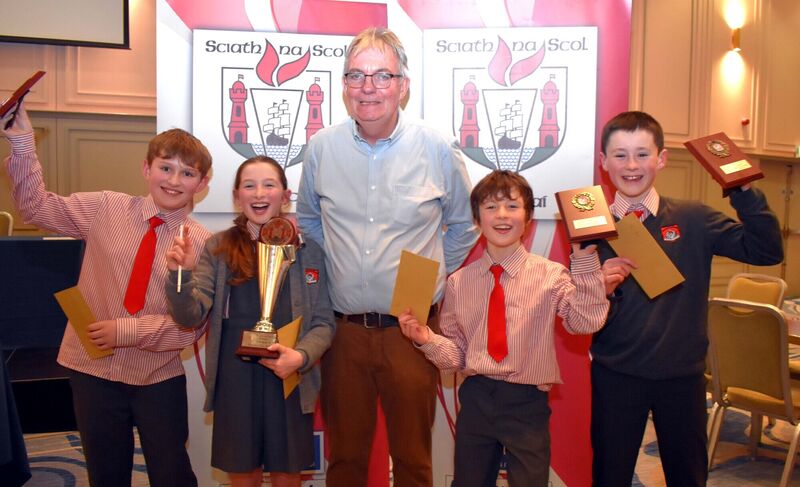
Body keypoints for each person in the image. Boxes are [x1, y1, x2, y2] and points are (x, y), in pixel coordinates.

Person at [296, 27, 479, 486]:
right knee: (346, 460)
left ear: (403, 85)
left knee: (414, 460)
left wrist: (431, 278)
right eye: (356, 75)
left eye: (381, 76)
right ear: (343, 86)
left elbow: (462, 224)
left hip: (411, 330)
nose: (368, 88)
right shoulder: (321, 149)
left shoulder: (437, 148)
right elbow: (309, 221)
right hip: (342, 332)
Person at [1, 102, 212, 486]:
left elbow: (190, 329)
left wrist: (126, 332)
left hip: (157, 377)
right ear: (147, 169)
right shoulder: (105, 208)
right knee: (106, 474)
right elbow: (34, 206)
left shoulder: (202, 244)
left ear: (201, 183)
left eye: (187, 173)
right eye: (165, 167)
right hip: (91, 371)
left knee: (173, 475)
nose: (174, 180)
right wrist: (22, 142)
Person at [590, 111, 784, 486]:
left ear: (661, 159)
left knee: (687, 476)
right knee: (610, 476)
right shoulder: (591, 227)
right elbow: (580, 311)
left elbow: (766, 249)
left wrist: (742, 188)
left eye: (642, 154)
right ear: (603, 162)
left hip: (682, 377)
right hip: (615, 375)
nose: (631, 166)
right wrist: (596, 289)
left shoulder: (694, 218)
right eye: (620, 154)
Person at [397, 170, 609, 486]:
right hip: (477, 399)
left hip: (527, 403)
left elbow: (584, 322)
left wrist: (586, 262)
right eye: (491, 207)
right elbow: (456, 356)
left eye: (512, 206)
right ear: (477, 219)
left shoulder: (551, 275)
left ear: (528, 218)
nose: (502, 215)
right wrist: (426, 339)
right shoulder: (458, 283)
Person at [165, 156, 335, 487]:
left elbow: (324, 322)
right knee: (243, 472)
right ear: (237, 195)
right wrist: (180, 275)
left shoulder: (309, 251)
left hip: (289, 376)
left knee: (288, 472)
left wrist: (299, 357)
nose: (259, 193)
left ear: (285, 195)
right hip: (235, 377)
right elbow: (190, 315)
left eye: (269, 185)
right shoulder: (218, 246)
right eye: (249, 185)